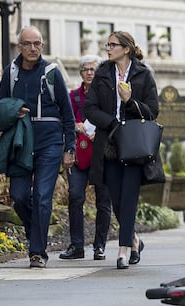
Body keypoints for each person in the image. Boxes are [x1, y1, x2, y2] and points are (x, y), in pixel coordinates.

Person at [0, 26, 76, 268]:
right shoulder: (11, 72)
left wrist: (69, 147)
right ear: (19, 46)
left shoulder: (52, 72)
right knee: (19, 196)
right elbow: (0, 106)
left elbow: (68, 114)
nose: (33, 48)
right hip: (21, 142)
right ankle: (36, 235)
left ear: (42, 45)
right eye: (28, 44)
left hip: (49, 142)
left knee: (42, 196)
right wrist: (12, 111)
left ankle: (37, 253)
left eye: (37, 43)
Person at [84, 31, 159, 269]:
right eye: (107, 44)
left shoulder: (144, 75)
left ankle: (123, 249)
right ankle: (134, 239)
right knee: (115, 198)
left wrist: (130, 102)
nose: (108, 48)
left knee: (129, 198)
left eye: (112, 45)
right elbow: (90, 109)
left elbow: (152, 111)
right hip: (109, 143)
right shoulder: (102, 74)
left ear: (126, 49)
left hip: (134, 144)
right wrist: (112, 123)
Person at [59, 55, 112, 261]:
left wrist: (100, 130)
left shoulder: (107, 95)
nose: (90, 72)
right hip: (79, 155)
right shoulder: (73, 97)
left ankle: (100, 246)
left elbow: (114, 119)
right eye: (86, 69)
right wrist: (74, 126)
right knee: (75, 197)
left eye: (94, 69)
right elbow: (65, 119)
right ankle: (77, 246)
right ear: (80, 73)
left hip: (102, 155)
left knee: (103, 202)